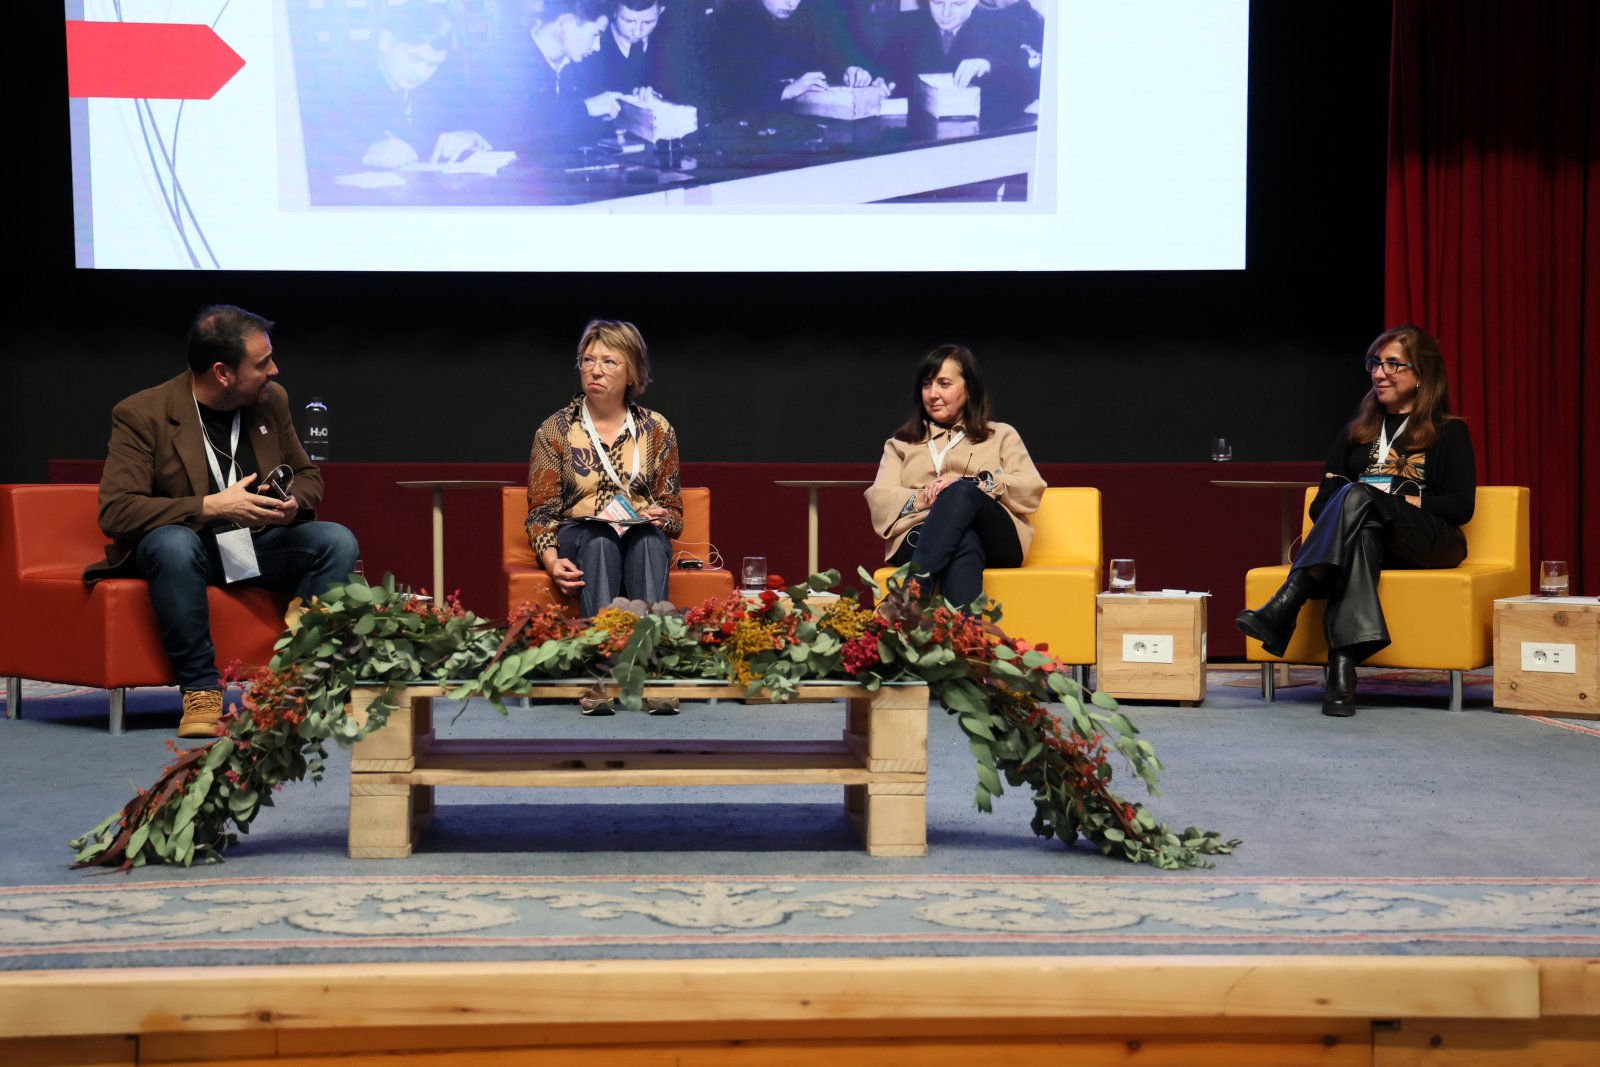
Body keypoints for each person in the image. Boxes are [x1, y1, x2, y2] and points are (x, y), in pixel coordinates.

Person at [85, 306, 360, 738]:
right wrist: (212, 506)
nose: (274, 369)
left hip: (249, 547)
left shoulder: (272, 401)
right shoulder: (144, 414)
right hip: (185, 552)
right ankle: (200, 691)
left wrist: (292, 503)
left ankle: (302, 679)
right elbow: (117, 510)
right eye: (261, 363)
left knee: (337, 541)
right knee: (172, 543)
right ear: (222, 373)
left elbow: (308, 476)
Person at [1236, 325, 1476, 717]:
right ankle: (1342, 672)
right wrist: (1363, 500)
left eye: (1392, 365)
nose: (1379, 373)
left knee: (1360, 494)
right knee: (1361, 529)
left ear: (1421, 375)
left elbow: (1460, 506)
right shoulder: (1356, 433)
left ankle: (1290, 598)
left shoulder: (1448, 432)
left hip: (1430, 542)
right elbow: (1321, 505)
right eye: (1375, 364)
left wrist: (1394, 497)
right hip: (1372, 543)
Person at [865, 344, 1045, 609]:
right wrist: (923, 499)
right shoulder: (901, 443)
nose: (933, 394)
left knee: (960, 491)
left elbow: (1030, 488)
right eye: (927, 385)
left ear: (969, 389)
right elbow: (880, 498)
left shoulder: (1001, 435)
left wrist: (974, 485)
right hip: (920, 534)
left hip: (996, 540)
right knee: (965, 540)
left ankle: (909, 600)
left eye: (944, 384)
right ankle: (966, 641)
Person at [525, 320, 683, 617]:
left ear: (631, 373)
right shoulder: (554, 430)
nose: (595, 370)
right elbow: (540, 514)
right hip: (580, 534)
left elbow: (674, 513)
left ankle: (652, 652)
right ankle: (602, 652)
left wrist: (662, 517)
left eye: (609, 362)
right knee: (600, 540)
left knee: (649, 540)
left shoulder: (657, 429)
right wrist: (551, 561)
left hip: (638, 531)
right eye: (588, 360)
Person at [301, 5, 490, 173]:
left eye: (433, 65)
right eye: (414, 58)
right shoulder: (337, 82)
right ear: (385, 41)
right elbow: (306, 147)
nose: (421, 73)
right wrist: (363, 152)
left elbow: (482, 121)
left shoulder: (440, 83)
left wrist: (469, 136)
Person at [483, 0, 626, 154]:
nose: (597, 46)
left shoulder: (578, 66)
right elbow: (511, 128)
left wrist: (605, 115)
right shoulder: (507, 61)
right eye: (594, 35)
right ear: (565, 24)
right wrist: (586, 108)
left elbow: (568, 126)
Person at [706, 0, 883, 119]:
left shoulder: (811, 17)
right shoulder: (728, 22)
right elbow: (724, 96)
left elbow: (834, 59)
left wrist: (851, 70)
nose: (791, 3)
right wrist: (787, 91)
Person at [878, 0, 1034, 118]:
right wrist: (876, 81)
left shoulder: (1006, 27)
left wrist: (990, 65)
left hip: (981, 142)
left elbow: (1028, 87)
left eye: (957, 4)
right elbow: (883, 69)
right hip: (916, 139)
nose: (945, 13)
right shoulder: (904, 25)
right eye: (938, 2)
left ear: (973, 2)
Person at [577, 0, 669, 97]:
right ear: (614, 11)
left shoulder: (672, 45)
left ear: (661, 11)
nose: (637, 32)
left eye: (647, 22)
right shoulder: (588, 46)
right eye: (628, 21)